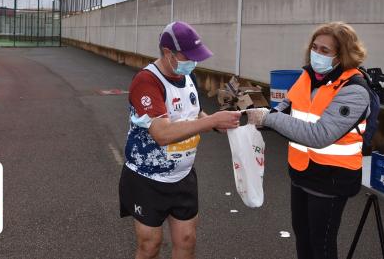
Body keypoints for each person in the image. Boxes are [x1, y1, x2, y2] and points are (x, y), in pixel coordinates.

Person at [246, 22, 370, 259]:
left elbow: (321, 134)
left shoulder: (354, 89)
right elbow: (284, 109)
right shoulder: (307, 76)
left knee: (321, 245)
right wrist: (253, 116)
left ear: (342, 55)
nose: (317, 54)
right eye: (315, 47)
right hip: (301, 172)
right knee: (303, 237)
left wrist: (269, 118)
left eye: (325, 50)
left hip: (331, 179)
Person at [119, 21, 241, 259]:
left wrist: (217, 125)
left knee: (186, 240)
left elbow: (193, 113)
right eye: (189, 56)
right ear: (168, 53)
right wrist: (212, 120)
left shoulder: (188, 77)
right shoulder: (147, 81)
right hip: (147, 178)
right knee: (150, 245)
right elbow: (162, 134)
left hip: (183, 176)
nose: (194, 62)